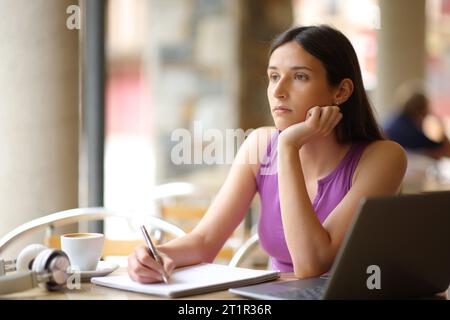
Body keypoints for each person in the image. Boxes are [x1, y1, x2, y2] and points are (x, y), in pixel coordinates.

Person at [127, 25, 407, 282]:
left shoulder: (383, 158)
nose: (279, 91)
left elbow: (311, 265)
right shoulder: (259, 144)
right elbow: (205, 240)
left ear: (342, 91)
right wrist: (156, 255)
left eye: (299, 76)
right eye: (274, 76)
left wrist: (287, 147)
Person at [384, 85, 450, 160]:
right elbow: (446, 150)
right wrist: (439, 122)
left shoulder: (395, 121)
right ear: (423, 111)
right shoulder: (406, 130)